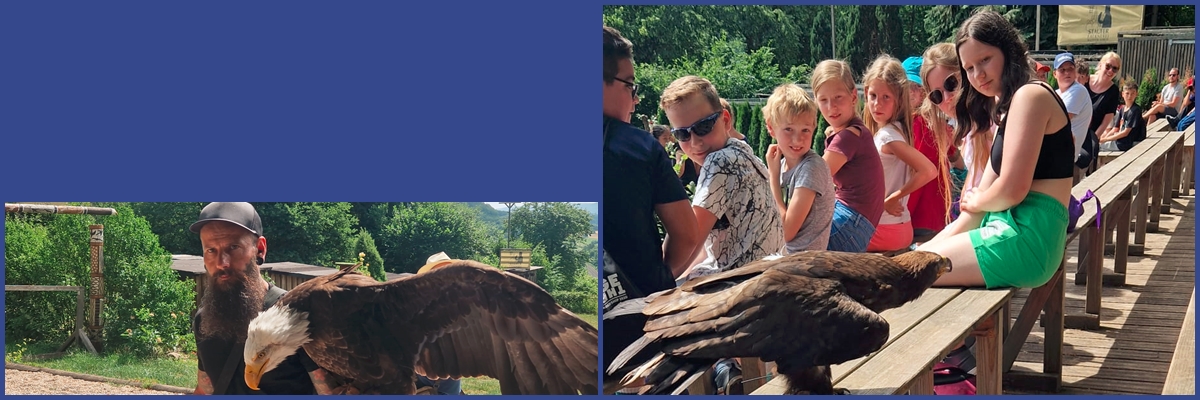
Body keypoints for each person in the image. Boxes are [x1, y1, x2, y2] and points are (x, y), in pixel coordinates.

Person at [917, 9, 1074, 291]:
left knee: (913, 276)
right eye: (969, 68)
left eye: (985, 60)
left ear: (1007, 50)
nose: (978, 74)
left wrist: (979, 201)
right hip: (1009, 231)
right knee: (911, 267)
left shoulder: (1031, 95)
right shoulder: (1009, 109)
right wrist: (916, 253)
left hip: (1028, 240)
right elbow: (972, 215)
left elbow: (1012, 190)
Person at [601, 26, 700, 389]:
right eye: (630, 85)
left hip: (567, 346)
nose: (635, 99)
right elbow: (687, 234)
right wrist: (653, 277)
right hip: (642, 341)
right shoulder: (641, 149)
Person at [190, 202, 340, 395]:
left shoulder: (294, 318)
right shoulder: (204, 320)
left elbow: (330, 392)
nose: (222, 263)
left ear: (260, 249)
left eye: (234, 247)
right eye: (211, 250)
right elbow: (206, 388)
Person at [661, 75, 784, 280]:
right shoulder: (742, 150)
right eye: (683, 134)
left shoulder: (720, 162)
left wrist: (651, 281)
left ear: (725, 120)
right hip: (765, 275)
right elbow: (699, 247)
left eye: (703, 127)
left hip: (743, 283)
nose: (696, 142)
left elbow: (688, 241)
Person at [862, 54, 936, 252]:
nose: (878, 104)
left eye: (886, 97)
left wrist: (893, 198)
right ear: (866, 93)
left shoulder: (888, 135)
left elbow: (929, 171)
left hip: (883, 228)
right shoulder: (895, 130)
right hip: (894, 227)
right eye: (873, 96)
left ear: (899, 100)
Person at [811, 59, 886, 253]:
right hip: (857, 225)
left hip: (850, 224)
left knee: (787, 242)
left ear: (853, 97)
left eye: (838, 98)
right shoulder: (857, 131)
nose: (831, 107)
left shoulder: (847, 138)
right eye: (823, 100)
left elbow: (812, 180)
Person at [764, 83, 836, 253]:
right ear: (770, 128)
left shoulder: (811, 168)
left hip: (803, 267)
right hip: (784, 258)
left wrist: (772, 178)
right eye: (788, 129)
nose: (797, 140)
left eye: (805, 130)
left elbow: (786, 232)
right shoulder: (781, 165)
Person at [910, 44, 964, 241]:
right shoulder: (941, 125)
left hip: (920, 217)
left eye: (915, 88)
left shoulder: (923, 125)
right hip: (937, 217)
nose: (947, 98)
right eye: (937, 95)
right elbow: (956, 158)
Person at [1052, 52, 1094, 169]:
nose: (1067, 72)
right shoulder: (1057, 93)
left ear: (1075, 71)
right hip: (1056, 157)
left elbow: (1056, 121)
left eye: (1070, 68)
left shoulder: (1078, 90)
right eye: (1062, 69)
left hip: (1064, 160)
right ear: (1055, 74)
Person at [1082, 51, 1123, 171]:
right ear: (1100, 64)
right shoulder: (1085, 80)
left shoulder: (1113, 91)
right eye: (1108, 66)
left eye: (1115, 69)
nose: (1110, 71)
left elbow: (1108, 118)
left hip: (1091, 134)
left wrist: (1094, 138)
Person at [1099, 81, 1146, 151]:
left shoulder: (1135, 110)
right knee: (1098, 145)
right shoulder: (1122, 109)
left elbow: (1125, 133)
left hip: (1130, 143)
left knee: (1098, 148)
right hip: (1122, 141)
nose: (1130, 96)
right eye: (1127, 93)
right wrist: (1104, 138)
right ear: (1123, 94)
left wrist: (1105, 139)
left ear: (1136, 94)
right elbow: (1115, 128)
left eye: (1133, 93)